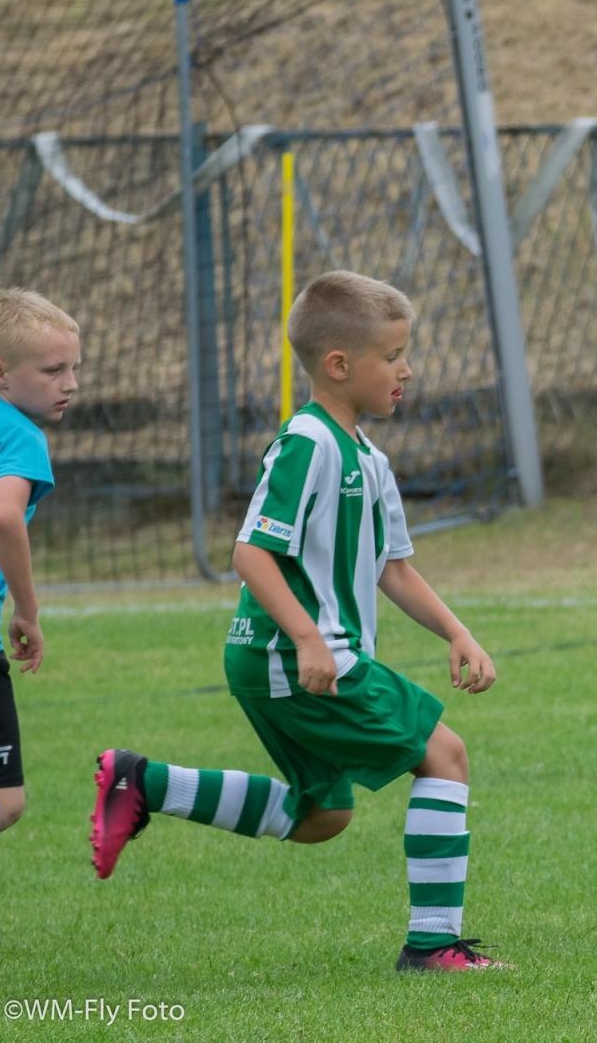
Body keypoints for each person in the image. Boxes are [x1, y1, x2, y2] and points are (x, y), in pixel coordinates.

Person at [89, 271, 507, 972]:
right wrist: (310, 637)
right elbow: (251, 551)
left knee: (323, 817)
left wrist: (457, 632)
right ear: (339, 366)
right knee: (447, 754)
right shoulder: (309, 442)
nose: (408, 371)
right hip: (301, 654)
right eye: (394, 356)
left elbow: (392, 567)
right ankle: (434, 946)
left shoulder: (369, 459)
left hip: (282, 658)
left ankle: (144, 782)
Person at [0, 290, 80, 862]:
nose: (69, 383)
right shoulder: (20, 435)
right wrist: (28, 611)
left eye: (74, 369)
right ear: (0, 373)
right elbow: (2, 514)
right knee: (6, 799)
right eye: (52, 370)